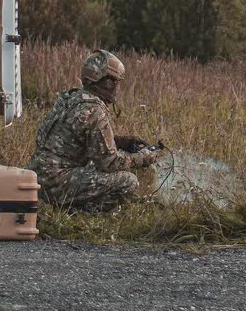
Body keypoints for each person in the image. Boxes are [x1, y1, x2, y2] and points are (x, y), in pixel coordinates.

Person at [28, 50, 161, 212]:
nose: (117, 87)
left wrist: (120, 141)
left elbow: (77, 138)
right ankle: (85, 212)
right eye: (115, 82)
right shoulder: (94, 109)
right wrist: (142, 158)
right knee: (128, 180)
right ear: (105, 81)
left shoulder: (71, 98)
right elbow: (110, 163)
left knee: (95, 165)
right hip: (56, 183)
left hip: (37, 177)